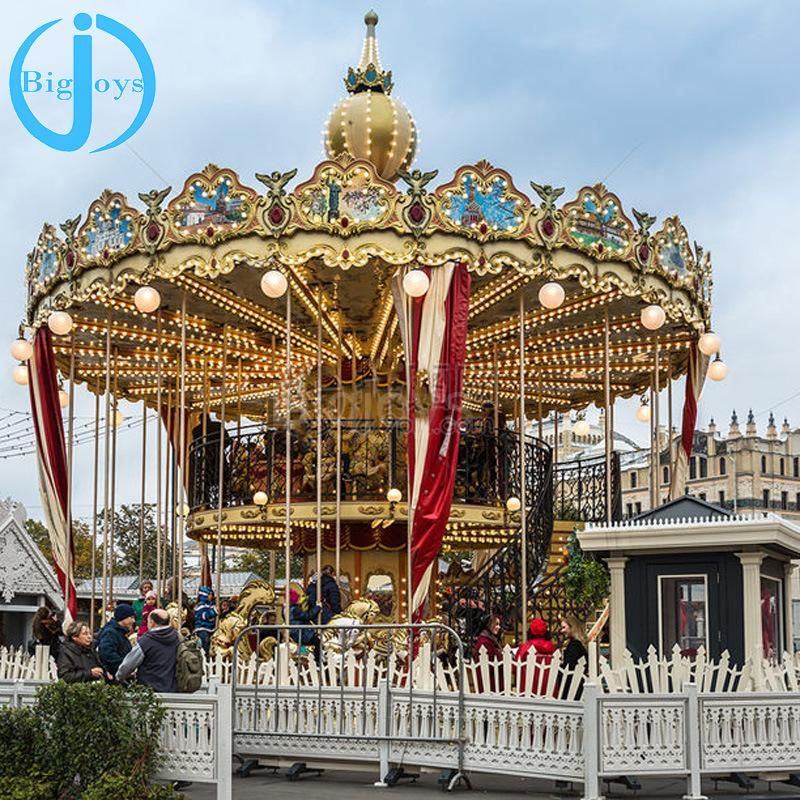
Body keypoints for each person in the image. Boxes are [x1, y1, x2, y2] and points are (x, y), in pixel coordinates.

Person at [116, 608, 179, 692]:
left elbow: (128, 665)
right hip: (172, 688)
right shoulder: (177, 637)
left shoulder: (147, 640)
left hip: (148, 690)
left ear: (152, 623)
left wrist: (119, 677)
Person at [515, 618, 556, 696]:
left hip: (528, 690)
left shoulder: (526, 647)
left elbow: (516, 664)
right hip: (548, 690)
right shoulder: (551, 647)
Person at [96, 603, 135, 677]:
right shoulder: (110, 633)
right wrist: (125, 666)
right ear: (123, 617)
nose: (134, 621)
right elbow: (107, 655)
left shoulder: (119, 632)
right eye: (131, 617)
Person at [560, 614, 589, 699]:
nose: (562, 631)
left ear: (572, 627)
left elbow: (569, 666)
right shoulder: (578, 644)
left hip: (572, 687)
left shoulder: (574, 645)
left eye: (564, 627)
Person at [473, 614, 504, 692]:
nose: (499, 627)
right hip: (490, 684)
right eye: (496, 624)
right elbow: (491, 662)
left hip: (492, 682)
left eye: (499, 624)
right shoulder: (485, 642)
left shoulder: (490, 640)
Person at [288, 588, 321, 657]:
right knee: (317, 641)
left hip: (294, 631)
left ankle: (304, 654)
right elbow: (307, 616)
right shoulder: (295, 610)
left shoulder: (289, 608)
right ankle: (317, 659)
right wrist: (317, 608)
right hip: (299, 632)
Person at [194, 586, 217, 654]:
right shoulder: (201, 606)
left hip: (211, 628)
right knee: (205, 641)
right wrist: (214, 612)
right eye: (209, 594)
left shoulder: (210, 605)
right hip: (202, 628)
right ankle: (206, 653)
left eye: (211, 594)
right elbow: (204, 616)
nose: (211, 596)